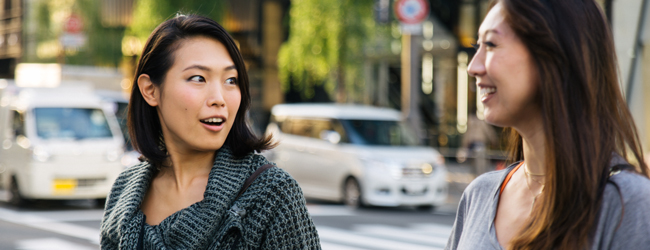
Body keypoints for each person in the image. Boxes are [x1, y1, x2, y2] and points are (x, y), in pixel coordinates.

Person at [100, 15, 320, 249]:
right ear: (150, 90)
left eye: (231, 80)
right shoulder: (125, 190)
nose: (219, 99)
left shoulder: (272, 194)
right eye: (198, 78)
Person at [446, 0, 650, 249]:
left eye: (491, 45)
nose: (473, 67)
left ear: (555, 56)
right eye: (476, 47)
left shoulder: (626, 203)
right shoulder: (479, 195)